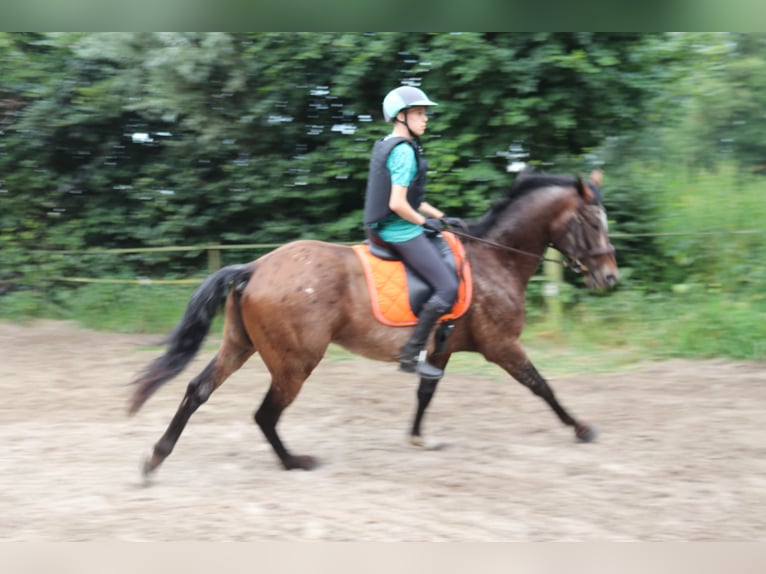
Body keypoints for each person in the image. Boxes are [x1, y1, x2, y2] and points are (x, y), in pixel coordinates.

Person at [362, 85, 461, 380]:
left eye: (425, 113)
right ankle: (411, 353)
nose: (425, 118)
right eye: (419, 113)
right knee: (448, 288)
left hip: (394, 223)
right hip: (398, 230)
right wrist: (421, 222)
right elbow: (397, 203)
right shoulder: (403, 151)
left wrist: (440, 217)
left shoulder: (391, 144)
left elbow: (413, 198)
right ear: (401, 116)